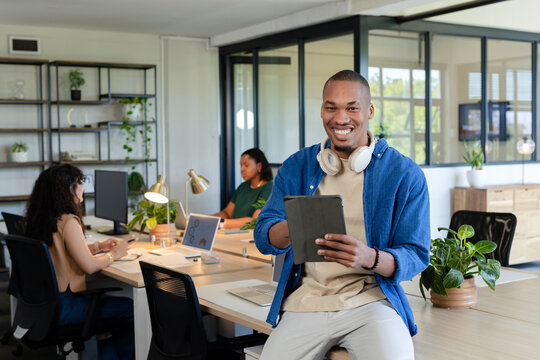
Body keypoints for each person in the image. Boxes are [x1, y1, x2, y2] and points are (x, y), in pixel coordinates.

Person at [254, 70, 430, 360]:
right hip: (305, 304)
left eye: (352, 107)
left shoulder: (404, 174)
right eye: (331, 107)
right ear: (322, 110)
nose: (340, 118)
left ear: (370, 111)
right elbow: (264, 235)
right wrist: (295, 224)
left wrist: (369, 257)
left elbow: (416, 255)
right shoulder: (296, 166)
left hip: (372, 303)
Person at [24, 164, 135, 360]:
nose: (82, 188)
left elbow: (61, 251)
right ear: (68, 189)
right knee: (130, 309)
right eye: (79, 183)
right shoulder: (69, 221)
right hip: (66, 305)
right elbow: (89, 266)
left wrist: (98, 247)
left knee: (114, 317)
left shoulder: (44, 218)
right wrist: (115, 254)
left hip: (46, 305)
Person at [214, 148, 273, 229]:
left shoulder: (269, 188)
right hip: (232, 232)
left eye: (246, 165)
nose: (242, 169)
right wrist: (208, 219)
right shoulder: (243, 187)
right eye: (241, 165)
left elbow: (254, 221)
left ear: (259, 166)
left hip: (248, 236)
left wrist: (221, 224)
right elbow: (227, 213)